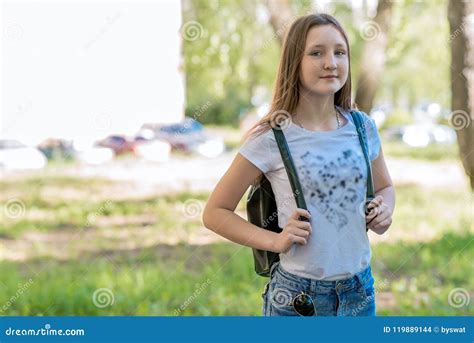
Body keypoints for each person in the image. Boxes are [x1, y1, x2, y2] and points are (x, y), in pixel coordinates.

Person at [202, 13, 395, 316]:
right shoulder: (271, 137)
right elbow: (215, 213)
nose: (331, 62)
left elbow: (384, 186)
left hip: (359, 293)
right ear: (295, 61)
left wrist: (385, 210)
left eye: (339, 52)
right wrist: (276, 240)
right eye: (317, 53)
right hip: (298, 300)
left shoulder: (362, 127)